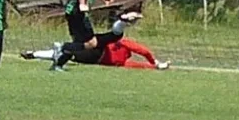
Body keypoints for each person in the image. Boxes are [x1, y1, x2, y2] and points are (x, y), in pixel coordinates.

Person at [21, 31, 171, 70]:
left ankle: (34, 54)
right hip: (97, 52)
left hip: (94, 57)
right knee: (71, 52)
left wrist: (154, 65)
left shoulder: (122, 60)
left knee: (67, 54)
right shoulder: (122, 45)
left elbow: (140, 58)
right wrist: (155, 64)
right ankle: (58, 48)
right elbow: (142, 51)